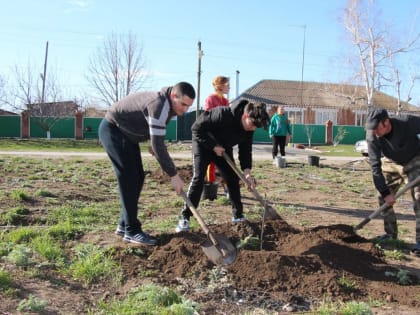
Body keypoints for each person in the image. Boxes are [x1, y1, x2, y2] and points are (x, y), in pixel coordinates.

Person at [99, 82, 196, 246]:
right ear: (174, 96)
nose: (185, 110)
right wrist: (173, 175)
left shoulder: (170, 106)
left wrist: (153, 143)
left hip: (127, 135)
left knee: (138, 177)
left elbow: (155, 136)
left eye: (189, 106)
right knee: (129, 178)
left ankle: (124, 224)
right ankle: (131, 230)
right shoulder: (159, 105)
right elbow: (159, 146)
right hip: (114, 130)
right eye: (183, 104)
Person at [175, 100, 270, 232]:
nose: (253, 128)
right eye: (252, 124)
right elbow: (196, 128)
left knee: (232, 178)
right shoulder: (223, 114)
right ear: (245, 116)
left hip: (223, 149)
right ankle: (185, 217)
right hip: (203, 144)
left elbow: (245, 151)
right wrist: (213, 146)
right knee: (199, 177)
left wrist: (247, 173)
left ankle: (238, 216)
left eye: (256, 126)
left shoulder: (249, 128)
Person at [365, 108, 420, 256]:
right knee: (382, 198)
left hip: (414, 160)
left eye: (377, 127)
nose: (374, 132)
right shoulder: (372, 136)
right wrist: (385, 193)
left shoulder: (407, 122)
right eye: (371, 129)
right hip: (391, 162)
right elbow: (375, 167)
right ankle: (390, 234)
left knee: (419, 198)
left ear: (386, 122)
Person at [204, 76, 230, 192]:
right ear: (220, 86)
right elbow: (207, 118)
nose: (229, 87)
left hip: (222, 136)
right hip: (211, 135)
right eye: (227, 84)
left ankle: (226, 185)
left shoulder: (225, 101)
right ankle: (210, 185)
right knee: (211, 163)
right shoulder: (210, 99)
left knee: (225, 163)